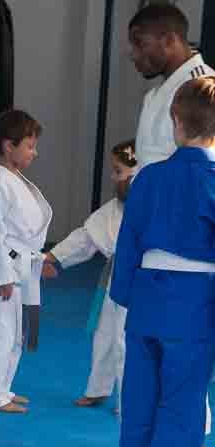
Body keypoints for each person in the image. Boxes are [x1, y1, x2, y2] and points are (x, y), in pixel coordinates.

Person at [103, 2, 215, 447]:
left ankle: (186, 441)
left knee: (177, 351)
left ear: (169, 39)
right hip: (149, 226)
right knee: (145, 348)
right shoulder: (159, 93)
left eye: (140, 43)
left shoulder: (201, 86)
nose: (134, 54)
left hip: (181, 239)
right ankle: (159, 442)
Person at [109, 75, 215, 447]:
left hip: (147, 300)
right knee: (183, 415)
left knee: (141, 408)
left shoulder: (148, 177)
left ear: (175, 121)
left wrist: (127, 297)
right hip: (193, 305)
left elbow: (128, 242)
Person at [41, 140, 138, 408]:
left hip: (142, 283)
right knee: (105, 335)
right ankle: (98, 388)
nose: (113, 178)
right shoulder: (113, 209)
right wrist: (53, 257)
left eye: (118, 171)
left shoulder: (157, 206)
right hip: (115, 279)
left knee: (126, 341)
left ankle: (130, 401)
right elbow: (86, 238)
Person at [0, 109, 52, 413]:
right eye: (30, 146)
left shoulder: (14, 181)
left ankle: (2, 388)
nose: (35, 152)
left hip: (22, 267)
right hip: (4, 270)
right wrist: (2, 276)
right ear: (9, 146)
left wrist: (38, 261)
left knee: (17, 334)